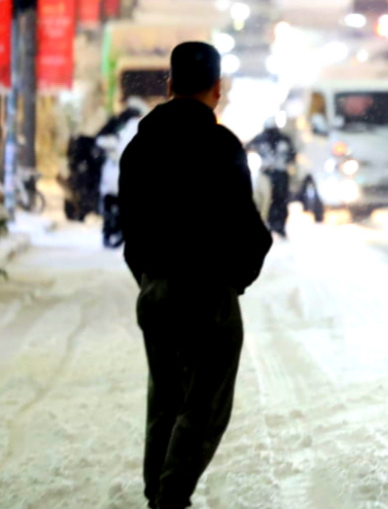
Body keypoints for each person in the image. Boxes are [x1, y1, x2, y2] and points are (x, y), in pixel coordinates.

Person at [119, 41, 272, 509]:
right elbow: (250, 230)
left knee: (165, 398)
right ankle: (171, 497)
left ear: (169, 85)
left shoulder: (139, 147)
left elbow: (131, 230)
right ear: (217, 89)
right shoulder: (221, 146)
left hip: (157, 288)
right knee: (205, 404)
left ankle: (158, 494)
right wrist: (233, 281)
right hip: (209, 291)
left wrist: (152, 279)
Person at [97, 98, 148, 247]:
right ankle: (110, 228)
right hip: (114, 171)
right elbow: (104, 140)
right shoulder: (124, 125)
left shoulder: (130, 126)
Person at [246, 116, 296, 238]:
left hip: (274, 174)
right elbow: (292, 155)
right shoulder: (280, 138)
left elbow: (292, 155)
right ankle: (275, 225)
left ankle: (276, 225)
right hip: (273, 174)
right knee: (275, 200)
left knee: (273, 200)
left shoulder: (263, 138)